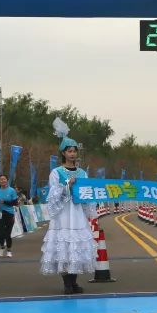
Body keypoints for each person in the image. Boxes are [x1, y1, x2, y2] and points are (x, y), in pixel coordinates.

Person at [41, 118, 98, 294]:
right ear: (63, 153)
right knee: (64, 248)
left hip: (77, 213)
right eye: (69, 151)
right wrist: (67, 185)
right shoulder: (56, 172)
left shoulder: (82, 173)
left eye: (74, 151)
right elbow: (53, 194)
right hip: (64, 214)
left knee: (77, 248)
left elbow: (88, 193)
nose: (72, 154)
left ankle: (73, 282)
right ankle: (66, 284)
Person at [0, 174, 19, 257]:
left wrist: (5, 202)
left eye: (4, 179)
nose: (3, 181)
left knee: (7, 233)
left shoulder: (12, 190)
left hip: (9, 213)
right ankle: (2, 247)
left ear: (7, 180)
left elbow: (15, 203)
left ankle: (9, 250)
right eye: (1, 179)